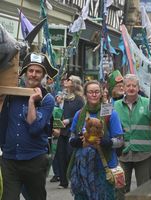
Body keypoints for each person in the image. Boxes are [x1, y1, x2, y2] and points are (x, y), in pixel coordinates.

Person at [0, 52, 58, 200]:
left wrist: (32, 102)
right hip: (9, 159)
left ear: (43, 75)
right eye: (30, 70)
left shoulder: (47, 99)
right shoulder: (10, 93)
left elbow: (34, 128)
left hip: (34, 160)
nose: (33, 75)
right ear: (24, 73)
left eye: (38, 71)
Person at [69, 80, 124, 199]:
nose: (94, 95)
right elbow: (71, 138)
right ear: (85, 94)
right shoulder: (79, 114)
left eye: (96, 92)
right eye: (90, 92)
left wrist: (106, 142)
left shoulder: (110, 113)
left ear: (101, 94)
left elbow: (120, 141)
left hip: (104, 167)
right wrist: (77, 141)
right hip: (83, 168)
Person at [114, 74, 151, 195]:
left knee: (143, 190)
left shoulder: (148, 103)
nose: (131, 88)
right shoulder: (115, 106)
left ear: (138, 88)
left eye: (134, 85)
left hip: (144, 154)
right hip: (122, 154)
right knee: (120, 188)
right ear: (123, 88)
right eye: (128, 85)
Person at [56, 75, 85, 189]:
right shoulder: (62, 96)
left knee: (70, 155)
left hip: (72, 130)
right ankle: (63, 182)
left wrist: (69, 120)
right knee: (60, 156)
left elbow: (81, 115)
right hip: (61, 130)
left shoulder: (79, 99)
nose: (66, 81)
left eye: (69, 80)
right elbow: (58, 112)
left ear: (74, 83)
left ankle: (74, 179)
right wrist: (58, 103)